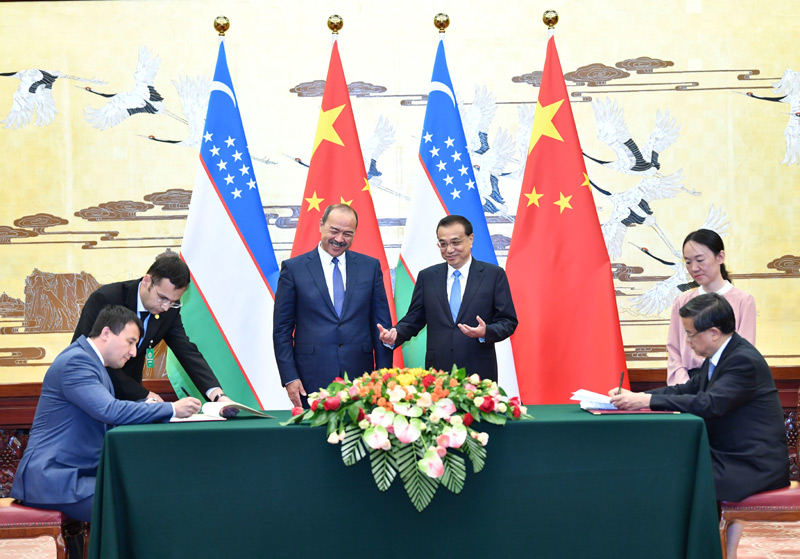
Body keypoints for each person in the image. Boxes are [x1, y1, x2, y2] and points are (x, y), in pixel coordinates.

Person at [610, 293, 789, 559]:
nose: (687, 341)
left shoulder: (743, 361)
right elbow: (686, 389)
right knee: (668, 468)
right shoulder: (720, 357)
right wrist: (636, 397)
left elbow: (710, 403)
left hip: (752, 464)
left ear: (714, 333)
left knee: (675, 478)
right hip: (729, 456)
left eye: (690, 334)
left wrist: (646, 400)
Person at [11, 305, 201, 522]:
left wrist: (146, 405)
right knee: (140, 508)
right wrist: (171, 408)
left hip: (72, 476)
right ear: (106, 333)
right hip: (54, 480)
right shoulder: (77, 362)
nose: (133, 352)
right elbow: (109, 410)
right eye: (130, 342)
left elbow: (107, 409)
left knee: (147, 494)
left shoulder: (91, 362)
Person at [273, 204, 393, 407]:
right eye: (334, 231)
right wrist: (290, 377)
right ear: (321, 225)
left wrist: (382, 375)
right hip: (310, 378)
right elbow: (282, 330)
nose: (339, 239)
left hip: (361, 378)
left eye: (347, 233)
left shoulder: (370, 267)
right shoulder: (294, 269)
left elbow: (381, 327)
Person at [72, 252, 231, 404]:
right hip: (92, 391)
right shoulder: (106, 299)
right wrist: (143, 394)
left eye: (173, 302)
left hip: (130, 400)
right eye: (162, 298)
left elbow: (186, 351)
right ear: (147, 281)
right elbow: (87, 355)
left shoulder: (169, 311)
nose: (166, 307)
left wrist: (217, 395)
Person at [377, 215, 517, 382]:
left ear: (471, 239)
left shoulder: (493, 275)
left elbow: (508, 321)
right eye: (443, 244)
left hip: (479, 371)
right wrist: (395, 334)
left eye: (455, 242)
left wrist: (486, 332)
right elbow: (414, 319)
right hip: (438, 373)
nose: (449, 250)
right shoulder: (427, 277)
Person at [666, 229, 756, 385]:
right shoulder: (682, 302)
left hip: (726, 383)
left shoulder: (743, 301)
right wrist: (685, 386)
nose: (694, 268)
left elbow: (745, 354)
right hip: (688, 383)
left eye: (700, 260)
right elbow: (674, 352)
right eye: (688, 262)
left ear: (720, 257)